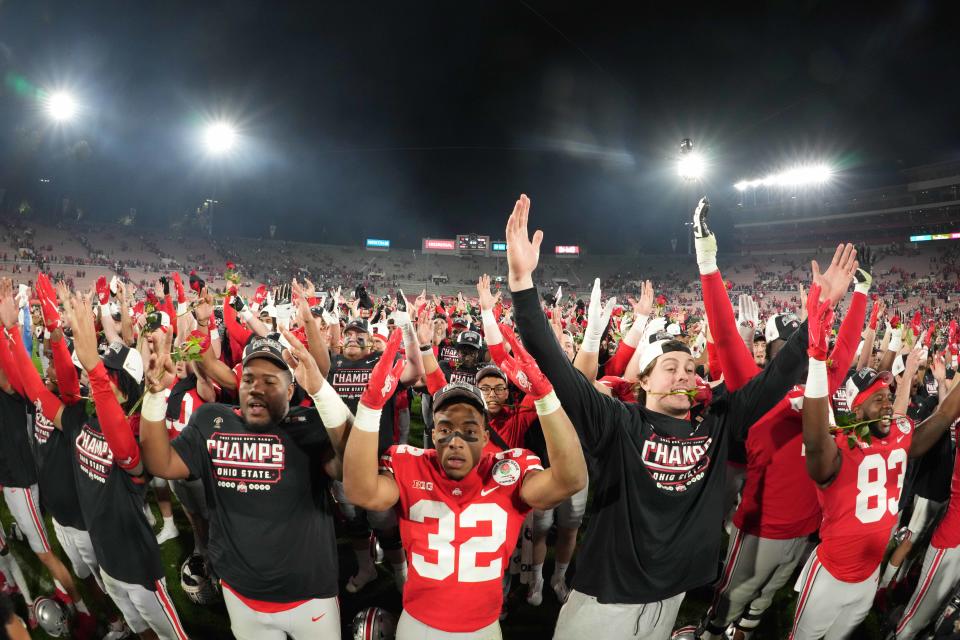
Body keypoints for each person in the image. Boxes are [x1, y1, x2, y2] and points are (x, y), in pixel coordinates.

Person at [505, 194, 830, 639]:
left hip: (672, 596)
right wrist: (522, 283)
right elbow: (552, 361)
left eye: (691, 369)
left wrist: (816, 319)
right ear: (644, 381)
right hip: (608, 602)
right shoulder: (616, 422)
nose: (683, 375)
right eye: (670, 368)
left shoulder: (716, 423)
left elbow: (774, 377)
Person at [343, 321, 587, 639]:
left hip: (482, 627)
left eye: (469, 430)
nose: (456, 440)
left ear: (485, 435)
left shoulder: (511, 467)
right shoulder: (409, 462)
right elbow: (361, 491)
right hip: (419, 623)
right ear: (432, 433)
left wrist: (545, 397)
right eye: (445, 428)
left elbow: (570, 480)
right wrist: (370, 407)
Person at [3, 283, 188, 640]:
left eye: (108, 376)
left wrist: (94, 371)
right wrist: (12, 330)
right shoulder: (82, 420)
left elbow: (124, 452)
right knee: (139, 631)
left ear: (129, 388)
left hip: (138, 567)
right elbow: (38, 393)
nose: (94, 379)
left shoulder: (140, 435)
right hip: (108, 563)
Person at [794, 289, 960, 639]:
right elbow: (813, 440)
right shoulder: (839, 445)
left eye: (889, 397)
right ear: (856, 408)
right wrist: (816, 357)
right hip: (831, 576)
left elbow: (945, 414)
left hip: (869, 576)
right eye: (878, 399)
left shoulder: (900, 434)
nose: (888, 405)